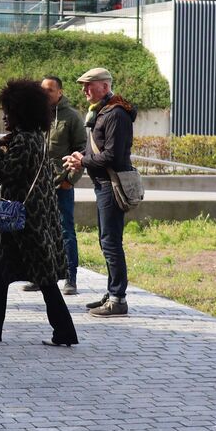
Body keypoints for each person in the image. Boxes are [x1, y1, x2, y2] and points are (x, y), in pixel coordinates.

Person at [0, 80, 77, 347]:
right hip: (31, 219)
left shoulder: (23, 141)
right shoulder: (35, 137)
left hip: (22, 221)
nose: (4, 116)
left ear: (20, 113)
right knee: (5, 274)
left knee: (42, 279)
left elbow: (4, 172)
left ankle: (63, 331)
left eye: (8, 111)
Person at [63, 66, 135, 317]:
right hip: (103, 184)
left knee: (111, 242)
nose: (84, 90)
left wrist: (83, 162)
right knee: (107, 241)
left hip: (110, 184)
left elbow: (112, 156)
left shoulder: (115, 113)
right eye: (83, 85)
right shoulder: (102, 111)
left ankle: (118, 299)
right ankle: (112, 292)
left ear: (105, 87)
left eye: (89, 85)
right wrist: (81, 156)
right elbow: (99, 150)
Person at [32, 75, 86, 297]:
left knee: (65, 231)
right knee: (37, 231)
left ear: (60, 92)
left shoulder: (71, 117)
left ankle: (70, 277)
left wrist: (68, 180)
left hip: (60, 184)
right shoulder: (35, 115)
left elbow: (82, 151)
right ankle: (39, 276)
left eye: (50, 90)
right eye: (42, 90)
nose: (45, 94)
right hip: (36, 185)